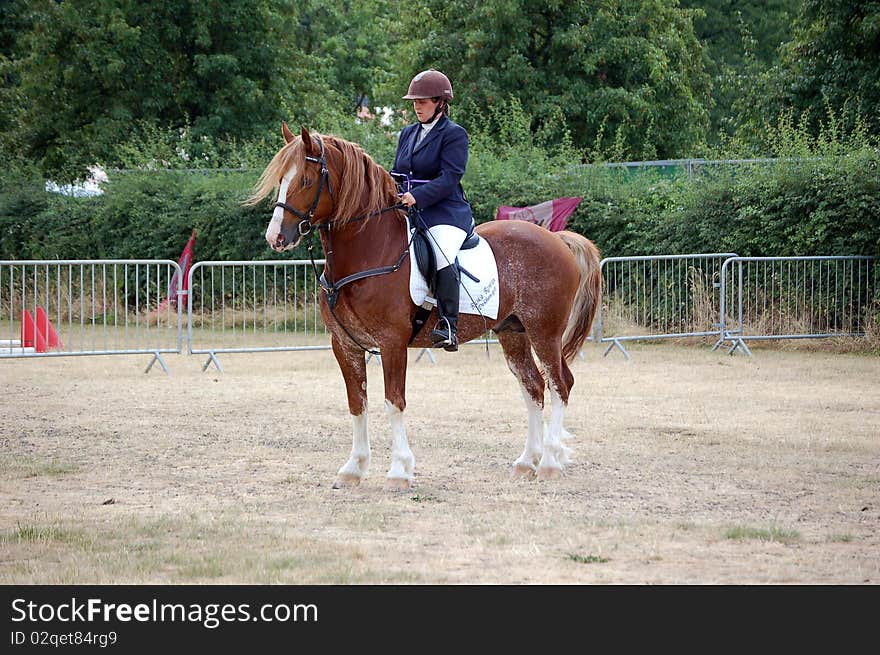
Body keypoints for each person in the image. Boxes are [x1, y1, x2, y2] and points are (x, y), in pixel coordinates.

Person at [391, 69, 475, 352]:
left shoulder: (454, 134)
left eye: (423, 101)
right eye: (414, 102)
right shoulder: (407, 133)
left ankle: (448, 324)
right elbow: (397, 172)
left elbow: (450, 177)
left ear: (440, 102)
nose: (417, 107)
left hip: (446, 212)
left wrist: (416, 196)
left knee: (442, 253)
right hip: (410, 210)